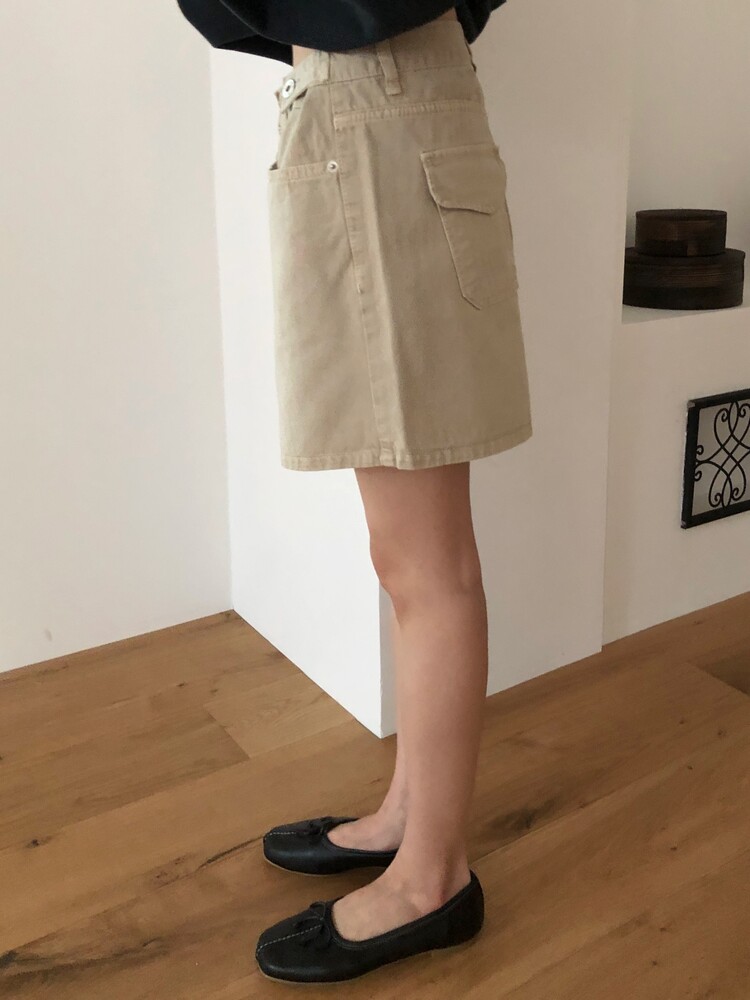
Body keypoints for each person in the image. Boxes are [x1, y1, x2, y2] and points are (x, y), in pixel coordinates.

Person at [176, 0, 533, 984]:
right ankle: (410, 814)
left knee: (429, 565)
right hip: (364, 112)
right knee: (404, 555)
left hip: (389, 114)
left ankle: (433, 879)